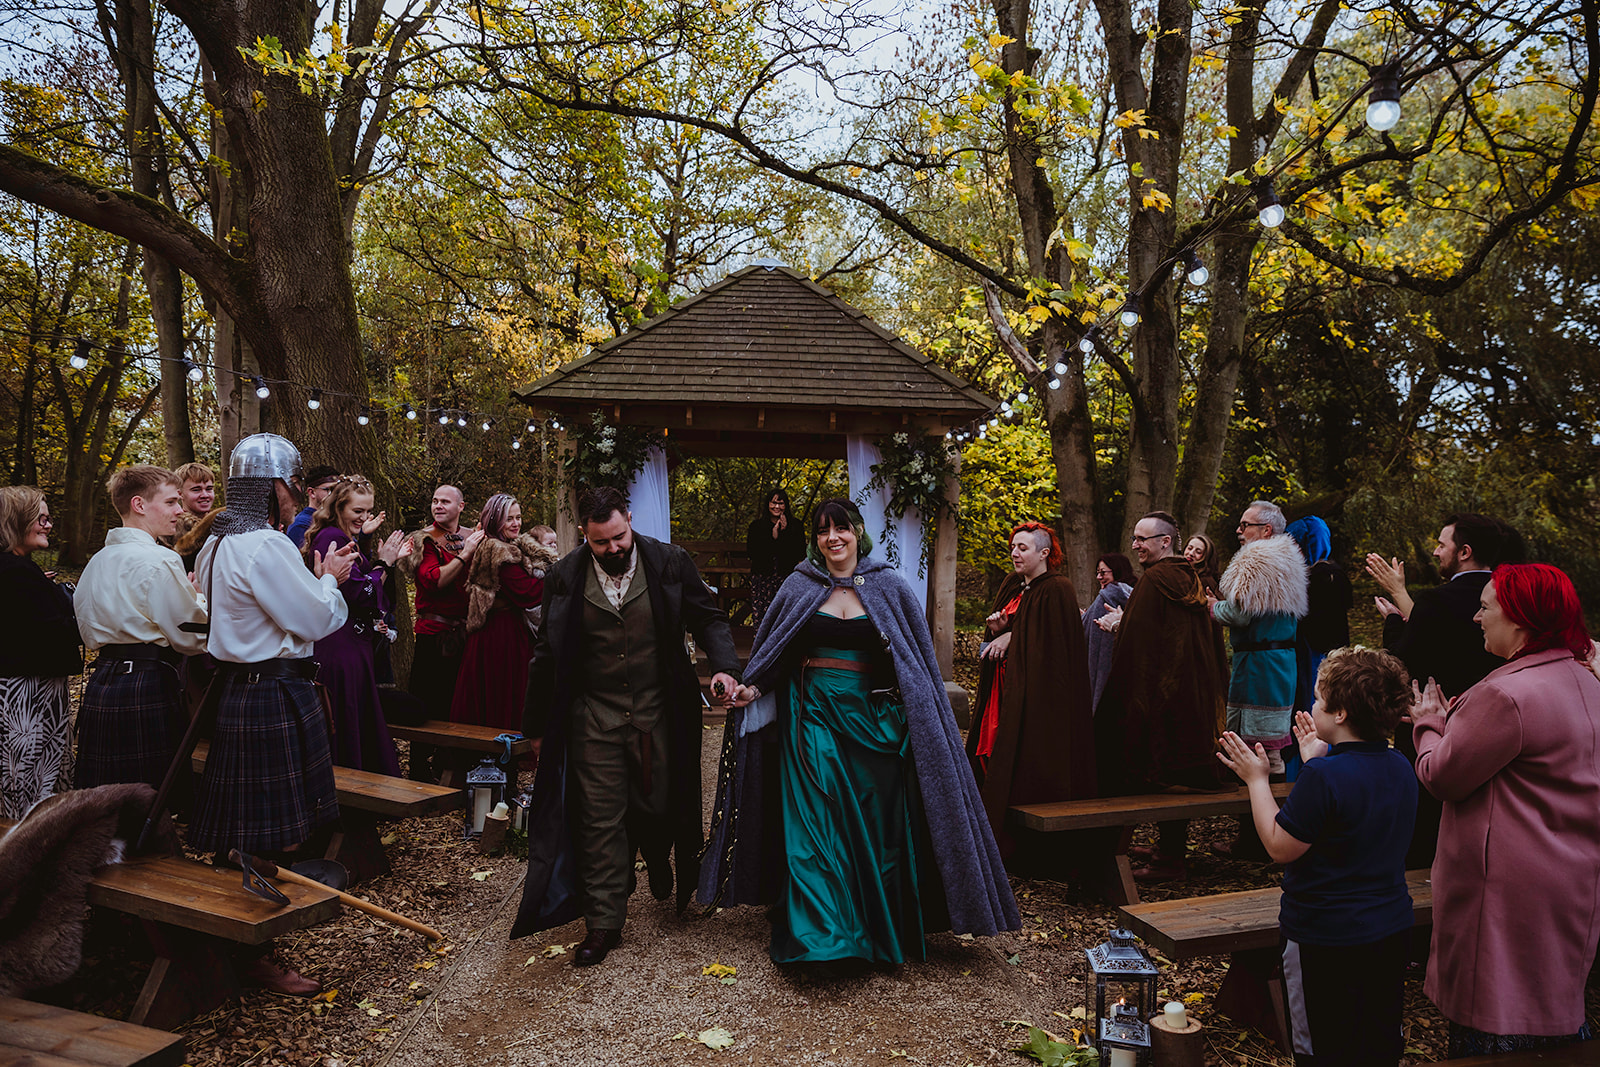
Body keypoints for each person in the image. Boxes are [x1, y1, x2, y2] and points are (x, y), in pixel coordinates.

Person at [701, 497, 1019, 966]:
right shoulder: (799, 585)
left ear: (858, 531)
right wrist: (751, 689)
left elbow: (914, 664)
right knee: (817, 822)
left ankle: (873, 922)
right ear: (814, 539)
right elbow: (779, 651)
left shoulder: (889, 585)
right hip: (814, 715)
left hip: (874, 722)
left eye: (842, 528)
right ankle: (826, 936)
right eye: (823, 531)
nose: (833, 538)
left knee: (875, 824)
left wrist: (917, 712)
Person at [511, 487, 741, 966]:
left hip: (661, 713)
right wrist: (536, 727)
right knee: (599, 819)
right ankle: (604, 921)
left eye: (619, 536)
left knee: (658, 805)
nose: (613, 549)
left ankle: (658, 858)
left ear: (629, 520)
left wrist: (723, 666)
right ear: (583, 536)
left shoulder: (670, 562)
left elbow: (709, 618)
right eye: (601, 543)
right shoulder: (565, 575)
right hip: (593, 717)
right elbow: (546, 655)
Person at [1412, 563, 1600, 1058]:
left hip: (1506, 891)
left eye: (1486, 606)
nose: (1476, 617)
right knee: (1552, 1019)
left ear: (1519, 617)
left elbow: (1442, 776)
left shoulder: (1505, 695)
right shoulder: (1586, 682)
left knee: (1497, 1024)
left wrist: (1429, 723)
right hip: (1573, 877)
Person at [189, 433, 354, 994]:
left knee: (241, 830)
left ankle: (233, 945)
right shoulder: (263, 544)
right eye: (292, 488)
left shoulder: (215, 543)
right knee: (261, 835)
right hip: (272, 693)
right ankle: (252, 953)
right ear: (276, 486)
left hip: (242, 691)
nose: (295, 498)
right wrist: (329, 577)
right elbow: (314, 620)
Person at [1217, 647, 1417, 1067]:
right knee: (1377, 1040)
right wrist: (1314, 764)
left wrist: (1256, 780)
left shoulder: (1324, 777)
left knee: (1322, 1048)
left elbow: (1278, 844)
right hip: (1389, 927)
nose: (1313, 707)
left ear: (1340, 713)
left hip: (1324, 937)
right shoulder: (1400, 765)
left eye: (1319, 700)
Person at [1365, 512, 1518, 869]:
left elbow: (1402, 661)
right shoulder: (1511, 592)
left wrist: (1392, 621)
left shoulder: (1437, 600)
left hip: (1435, 723)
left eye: (1441, 544)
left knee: (1425, 822)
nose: (1435, 552)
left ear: (1464, 551)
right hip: (1500, 726)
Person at [1093, 511, 1226, 880]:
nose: (1135, 545)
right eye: (1135, 539)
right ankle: (1168, 848)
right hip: (1192, 697)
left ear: (1165, 542)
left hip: (1158, 697)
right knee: (1176, 769)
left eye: (1142, 539)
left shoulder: (1154, 581)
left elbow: (1140, 643)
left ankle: (1165, 860)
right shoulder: (1193, 580)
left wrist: (1118, 625)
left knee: (1145, 766)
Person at [73, 466, 208, 794]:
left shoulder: (98, 561)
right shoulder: (159, 560)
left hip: (102, 681)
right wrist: (200, 596)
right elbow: (189, 634)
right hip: (146, 682)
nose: (180, 511)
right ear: (139, 504)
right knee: (146, 798)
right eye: (172, 502)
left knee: (103, 797)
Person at [966, 523, 1095, 861]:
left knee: (1023, 762)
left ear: (1044, 554)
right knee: (990, 756)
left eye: (1022, 548)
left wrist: (1014, 636)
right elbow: (1000, 637)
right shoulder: (1013, 586)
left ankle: (1025, 849)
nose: (1014, 553)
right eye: (1012, 546)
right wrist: (999, 630)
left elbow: (1052, 651)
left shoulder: (1057, 589)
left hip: (1037, 702)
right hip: (1002, 692)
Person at [302, 476, 412, 775]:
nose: (364, 518)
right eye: (358, 511)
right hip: (338, 647)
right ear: (339, 507)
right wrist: (385, 563)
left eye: (368, 511)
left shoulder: (342, 536)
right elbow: (357, 592)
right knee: (343, 717)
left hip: (352, 643)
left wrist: (375, 560)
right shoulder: (332, 539)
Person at [1209, 500, 1308, 777]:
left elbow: (1240, 614)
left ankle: (1260, 813)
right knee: (1268, 745)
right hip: (1278, 660)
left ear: (1266, 530)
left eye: (1245, 525)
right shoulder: (1286, 555)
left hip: (1260, 664)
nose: (1239, 530)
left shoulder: (1258, 558)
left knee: (1260, 746)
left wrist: (1211, 607)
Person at [0, 487, 82, 819]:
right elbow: (53, 632)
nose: (48, 525)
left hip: (26, 688)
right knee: (30, 778)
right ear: (16, 521)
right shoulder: (16, 572)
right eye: (41, 518)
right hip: (28, 694)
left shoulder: (20, 570)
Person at [450, 493, 552, 732]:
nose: (516, 523)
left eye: (518, 517)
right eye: (509, 519)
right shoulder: (497, 550)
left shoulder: (508, 546)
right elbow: (526, 592)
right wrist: (561, 578)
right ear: (496, 520)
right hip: (498, 635)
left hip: (507, 629)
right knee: (500, 693)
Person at [1285, 516, 1351, 715]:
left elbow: (1316, 622)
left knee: (1315, 704)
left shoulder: (1323, 576)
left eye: (1294, 542)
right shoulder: (1330, 572)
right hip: (1322, 652)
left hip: (1314, 654)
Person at [745, 488, 806, 625]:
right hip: (762, 578)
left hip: (787, 577)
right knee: (763, 616)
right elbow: (752, 553)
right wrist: (773, 536)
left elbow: (799, 553)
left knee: (786, 615)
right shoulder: (757, 526)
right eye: (773, 503)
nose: (777, 507)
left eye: (781, 503)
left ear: (786, 506)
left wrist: (784, 534)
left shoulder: (795, 526)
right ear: (768, 504)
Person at [1083, 552, 1135, 712]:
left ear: (1118, 571)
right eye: (1097, 573)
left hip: (1105, 672)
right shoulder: (1135, 595)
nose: (1099, 577)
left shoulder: (1107, 596)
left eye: (1103, 572)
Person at [284, 465, 340, 551]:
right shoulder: (301, 525)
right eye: (328, 490)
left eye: (337, 490)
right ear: (312, 492)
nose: (334, 495)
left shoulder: (336, 519)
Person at [171, 461, 216, 544]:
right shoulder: (171, 528)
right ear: (180, 494)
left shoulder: (221, 523)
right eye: (196, 490)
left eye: (209, 489)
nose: (205, 495)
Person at [1183, 533, 1223, 598]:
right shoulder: (1178, 570)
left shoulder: (1205, 580)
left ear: (1206, 557)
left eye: (1198, 552)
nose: (1191, 553)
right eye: (1189, 548)